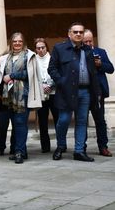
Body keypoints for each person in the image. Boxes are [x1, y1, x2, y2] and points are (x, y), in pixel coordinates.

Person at [49, 23, 101, 162]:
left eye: (81, 32)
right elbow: (52, 68)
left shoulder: (88, 50)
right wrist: (61, 81)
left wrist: (96, 92)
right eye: (75, 32)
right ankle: (60, 146)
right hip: (66, 91)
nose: (78, 34)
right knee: (64, 120)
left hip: (85, 92)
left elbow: (93, 72)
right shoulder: (59, 48)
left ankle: (79, 151)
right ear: (69, 34)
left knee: (82, 121)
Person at [0, 32, 42, 164]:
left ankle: (19, 151)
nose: (17, 44)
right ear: (11, 43)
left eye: (19, 41)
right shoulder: (5, 58)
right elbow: (0, 75)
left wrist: (12, 75)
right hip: (8, 96)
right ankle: (21, 151)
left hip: (22, 95)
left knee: (20, 123)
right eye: (15, 41)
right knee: (15, 124)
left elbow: (29, 74)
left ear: (23, 43)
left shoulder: (29, 56)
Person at [83, 29, 114, 157]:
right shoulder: (78, 53)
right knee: (82, 121)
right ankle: (81, 147)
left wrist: (100, 64)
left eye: (90, 40)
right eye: (86, 41)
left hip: (98, 92)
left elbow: (111, 68)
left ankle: (103, 147)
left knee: (100, 120)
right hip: (83, 92)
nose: (89, 43)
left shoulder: (101, 52)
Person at [33, 38, 58, 153]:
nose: (41, 50)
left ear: (46, 47)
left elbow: (57, 73)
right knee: (43, 121)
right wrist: (41, 86)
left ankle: (61, 144)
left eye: (42, 47)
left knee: (58, 120)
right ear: (35, 49)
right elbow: (33, 76)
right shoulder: (33, 61)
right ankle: (45, 146)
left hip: (54, 93)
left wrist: (50, 85)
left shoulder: (53, 58)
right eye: (38, 48)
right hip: (41, 94)